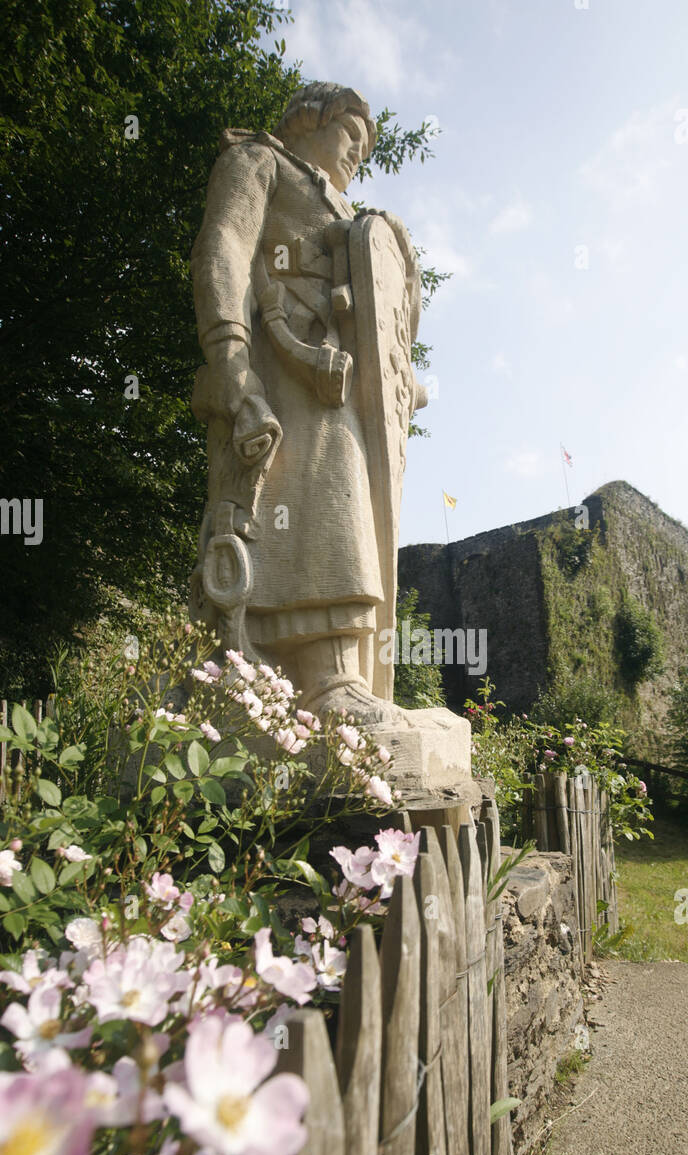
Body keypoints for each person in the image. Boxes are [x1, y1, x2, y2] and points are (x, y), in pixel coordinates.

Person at [189, 81, 426, 725]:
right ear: (306, 120)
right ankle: (317, 681)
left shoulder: (346, 213)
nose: (358, 155)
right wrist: (233, 362)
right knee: (310, 506)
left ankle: (331, 677)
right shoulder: (258, 161)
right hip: (277, 369)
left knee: (341, 500)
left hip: (335, 384)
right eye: (351, 136)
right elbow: (223, 254)